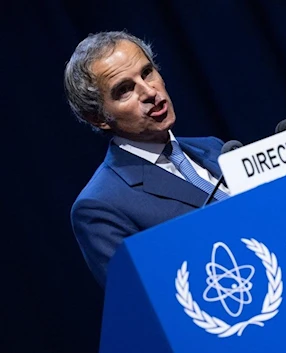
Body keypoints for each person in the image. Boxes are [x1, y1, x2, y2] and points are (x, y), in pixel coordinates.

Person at [65, 31, 230, 288]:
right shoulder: (100, 207)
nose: (149, 91)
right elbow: (144, 299)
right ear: (97, 117)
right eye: (124, 90)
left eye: (147, 73)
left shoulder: (215, 148)